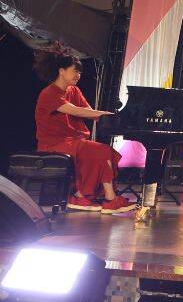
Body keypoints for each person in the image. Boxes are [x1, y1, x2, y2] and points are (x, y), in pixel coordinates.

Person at [33, 46, 135, 213]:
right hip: (54, 144)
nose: (79, 75)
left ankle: (95, 197)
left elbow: (90, 112)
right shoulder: (49, 93)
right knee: (100, 150)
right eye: (75, 71)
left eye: (80, 72)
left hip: (73, 142)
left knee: (104, 151)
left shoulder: (74, 90)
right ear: (61, 71)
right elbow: (77, 111)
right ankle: (96, 198)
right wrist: (110, 115)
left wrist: (120, 118)